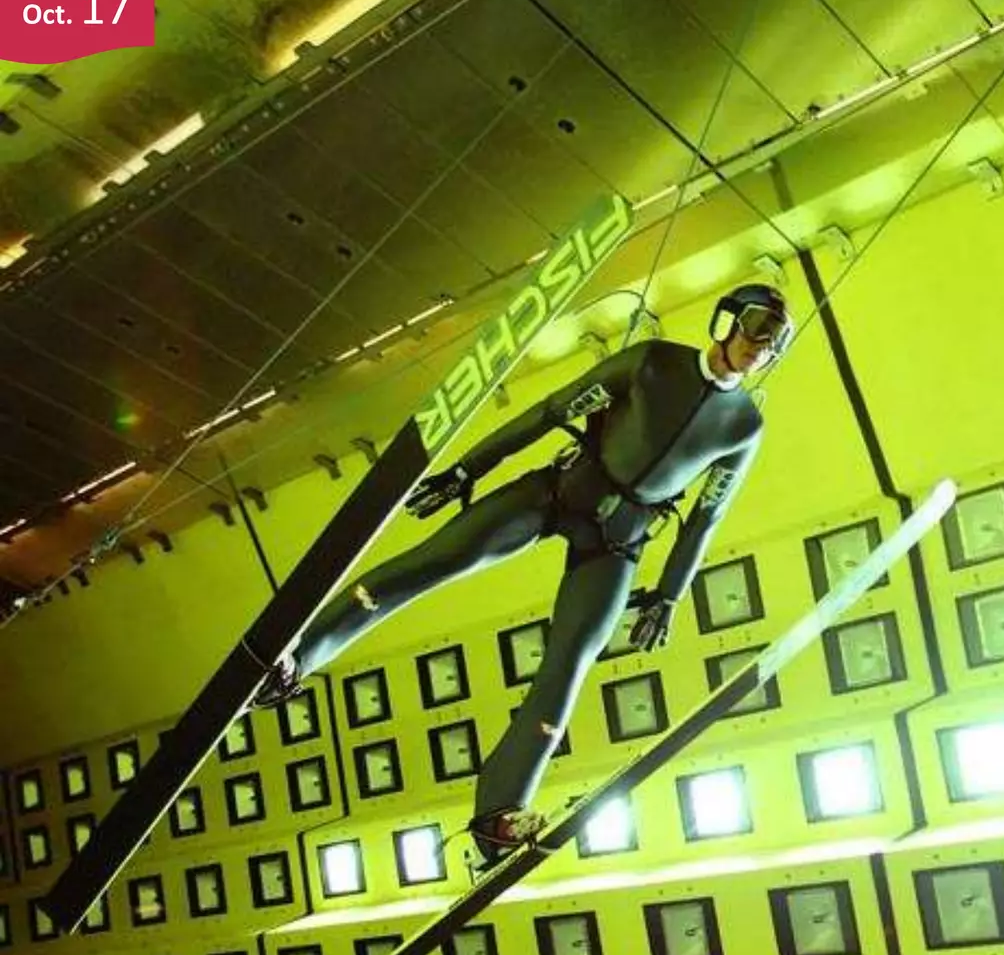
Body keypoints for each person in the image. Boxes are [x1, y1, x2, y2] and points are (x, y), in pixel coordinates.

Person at [249, 282, 793, 865]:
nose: (761, 346)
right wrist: (467, 470)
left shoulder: (744, 427)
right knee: (438, 560)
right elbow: (552, 411)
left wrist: (669, 595)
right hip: (558, 492)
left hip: (617, 543)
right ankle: (298, 659)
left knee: (571, 663)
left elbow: (707, 516)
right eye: (757, 327)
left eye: (776, 341)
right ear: (727, 320)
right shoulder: (654, 362)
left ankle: (499, 815)